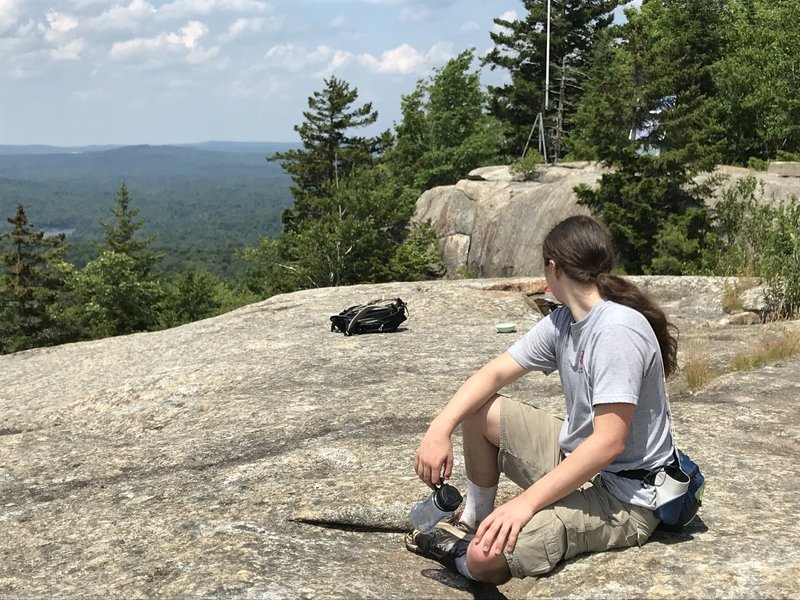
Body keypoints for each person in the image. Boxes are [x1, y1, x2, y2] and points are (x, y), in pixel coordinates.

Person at [405, 215, 679, 584]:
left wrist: (524, 503)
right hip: (577, 460)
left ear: (554, 268)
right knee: (479, 408)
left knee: (484, 557)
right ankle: (474, 517)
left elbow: (609, 443)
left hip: (627, 498)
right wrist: (440, 427)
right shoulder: (564, 321)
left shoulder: (617, 331)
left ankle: (462, 553)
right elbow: (494, 374)